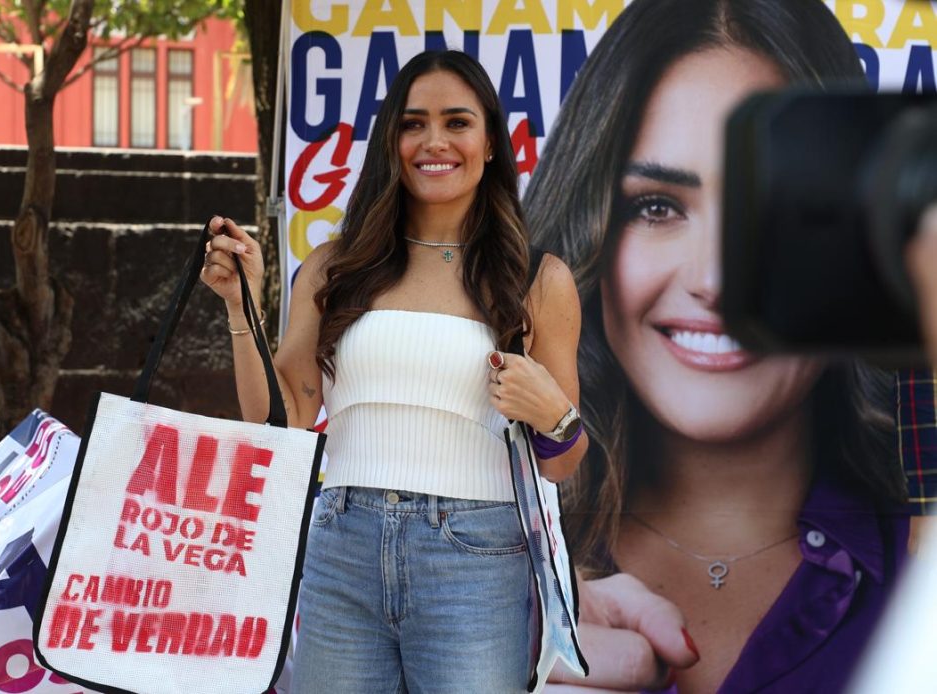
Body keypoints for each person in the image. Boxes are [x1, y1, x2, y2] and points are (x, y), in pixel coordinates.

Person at [523, 0, 910, 691]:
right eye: (657, 207)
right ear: (590, 238)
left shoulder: (923, 570)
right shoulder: (449, 551)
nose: (716, 280)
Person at [201, 49, 586, 693]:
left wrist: (552, 412)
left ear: (490, 142)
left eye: (456, 122)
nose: (433, 141)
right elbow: (280, 419)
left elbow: (564, 461)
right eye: (413, 124)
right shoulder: (333, 266)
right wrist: (243, 311)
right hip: (341, 544)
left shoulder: (537, 279)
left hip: (475, 555)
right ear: (391, 141)